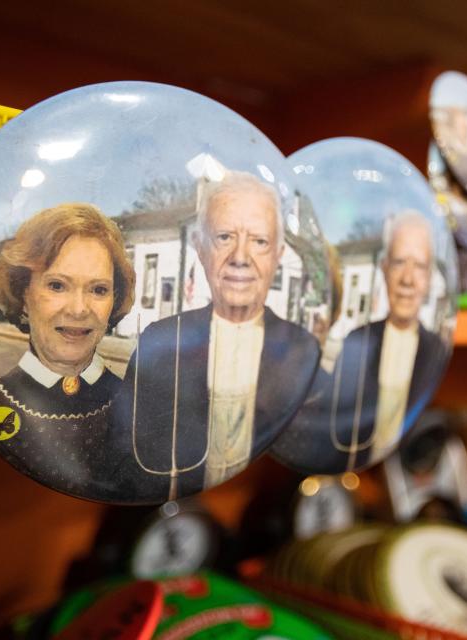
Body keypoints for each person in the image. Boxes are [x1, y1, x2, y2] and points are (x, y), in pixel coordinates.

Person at [111, 171, 320, 501]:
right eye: (224, 237)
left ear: (278, 255)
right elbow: (125, 451)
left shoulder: (303, 350)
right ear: (200, 247)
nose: (240, 257)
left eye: (259, 241)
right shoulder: (160, 341)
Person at [0, 203, 136, 501]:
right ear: (23, 294)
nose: (79, 309)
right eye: (57, 285)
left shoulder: (143, 409)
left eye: (98, 290)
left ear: (114, 301)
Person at [274, 211, 448, 474]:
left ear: (429, 278)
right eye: (399, 262)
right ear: (385, 270)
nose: (408, 280)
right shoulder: (354, 341)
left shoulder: (437, 350)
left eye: (420, 266)